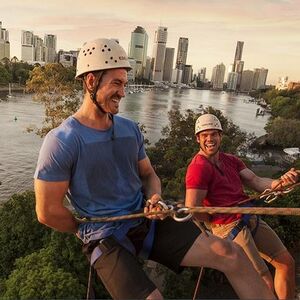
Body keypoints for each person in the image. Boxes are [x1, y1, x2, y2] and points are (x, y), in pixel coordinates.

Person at [34, 38, 275, 300]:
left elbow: (149, 175)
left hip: (146, 220)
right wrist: (85, 229)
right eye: (116, 83)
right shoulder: (62, 141)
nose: (123, 92)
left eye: (124, 84)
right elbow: (47, 212)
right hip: (103, 235)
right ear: (91, 81)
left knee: (232, 254)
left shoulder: (129, 130)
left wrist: (154, 197)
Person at [185, 113, 297, 300]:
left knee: (286, 263)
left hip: (248, 216)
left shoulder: (231, 160)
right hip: (228, 226)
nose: (210, 139)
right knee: (263, 282)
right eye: (205, 135)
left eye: (214, 134)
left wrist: (282, 182)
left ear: (221, 136)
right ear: (198, 139)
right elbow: (193, 209)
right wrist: (215, 220)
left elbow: (257, 181)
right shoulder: (198, 167)